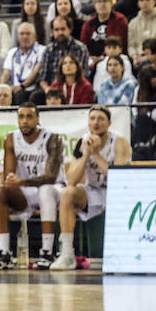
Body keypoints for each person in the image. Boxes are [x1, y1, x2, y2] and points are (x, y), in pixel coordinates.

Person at [50, 105, 130, 270]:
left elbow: (119, 178)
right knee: (67, 193)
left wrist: (95, 154)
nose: (96, 123)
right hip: (94, 191)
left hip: (118, 192)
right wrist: (86, 153)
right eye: (92, 119)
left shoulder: (119, 141)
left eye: (101, 119)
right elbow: (71, 180)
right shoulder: (83, 141)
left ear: (109, 123)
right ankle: (66, 253)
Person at [0, 103, 64, 269]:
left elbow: (51, 177)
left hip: (55, 190)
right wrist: (11, 181)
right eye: (21, 117)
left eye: (29, 117)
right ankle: (4, 253)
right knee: (1, 191)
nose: (24, 121)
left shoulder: (52, 138)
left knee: (45, 191)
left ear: (37, 119)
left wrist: (21, 182)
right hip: (25, 191)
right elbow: (10, 176)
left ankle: (47, 252)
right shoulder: (11, 138)